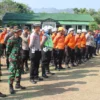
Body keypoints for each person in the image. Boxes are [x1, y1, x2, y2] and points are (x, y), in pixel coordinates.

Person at [6, 29, 26, 94]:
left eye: (20, 31)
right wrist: (11, 56)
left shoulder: (20, 39)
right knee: (12, 72)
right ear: (15, 32)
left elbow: (20, 47)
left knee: (19, 71)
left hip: (19, 58)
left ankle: (17, 84)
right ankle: (10, 87)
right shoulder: (11, 39)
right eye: (19, 31)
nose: (20, 32)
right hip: (13, 58)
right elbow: (8, 50)